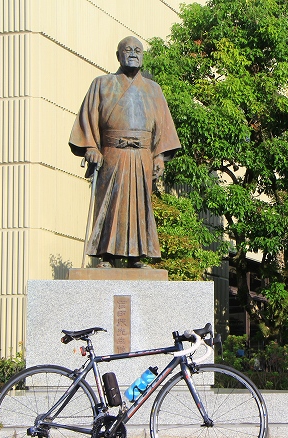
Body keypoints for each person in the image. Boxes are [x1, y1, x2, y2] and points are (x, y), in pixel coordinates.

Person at [69, 36, 181, 268]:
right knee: (109, 204)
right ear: (118, 55)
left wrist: (159, 156)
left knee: (139, 207)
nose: (133, 53)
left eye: (138, 50)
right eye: (128, 50)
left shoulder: (153, 89)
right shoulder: (101, 84)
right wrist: (91, 147)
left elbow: (162, 126)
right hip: (112, 154)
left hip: (142, 156)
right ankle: (107, 255)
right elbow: (88, 119)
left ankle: (136, 257)